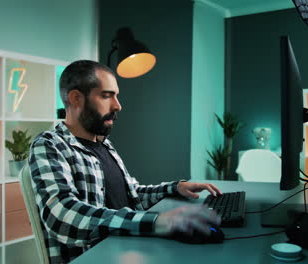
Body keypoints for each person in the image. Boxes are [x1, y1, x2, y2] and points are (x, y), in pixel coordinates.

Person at [28, 60, 222, 263]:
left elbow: (132, 195)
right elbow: (61, 215)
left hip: (128, 249)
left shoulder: (104, 145)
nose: (118, 105)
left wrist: (176, 187)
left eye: (116, 96)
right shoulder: (49, 145)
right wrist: (157, 222)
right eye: (106, 95)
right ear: (76, 98)